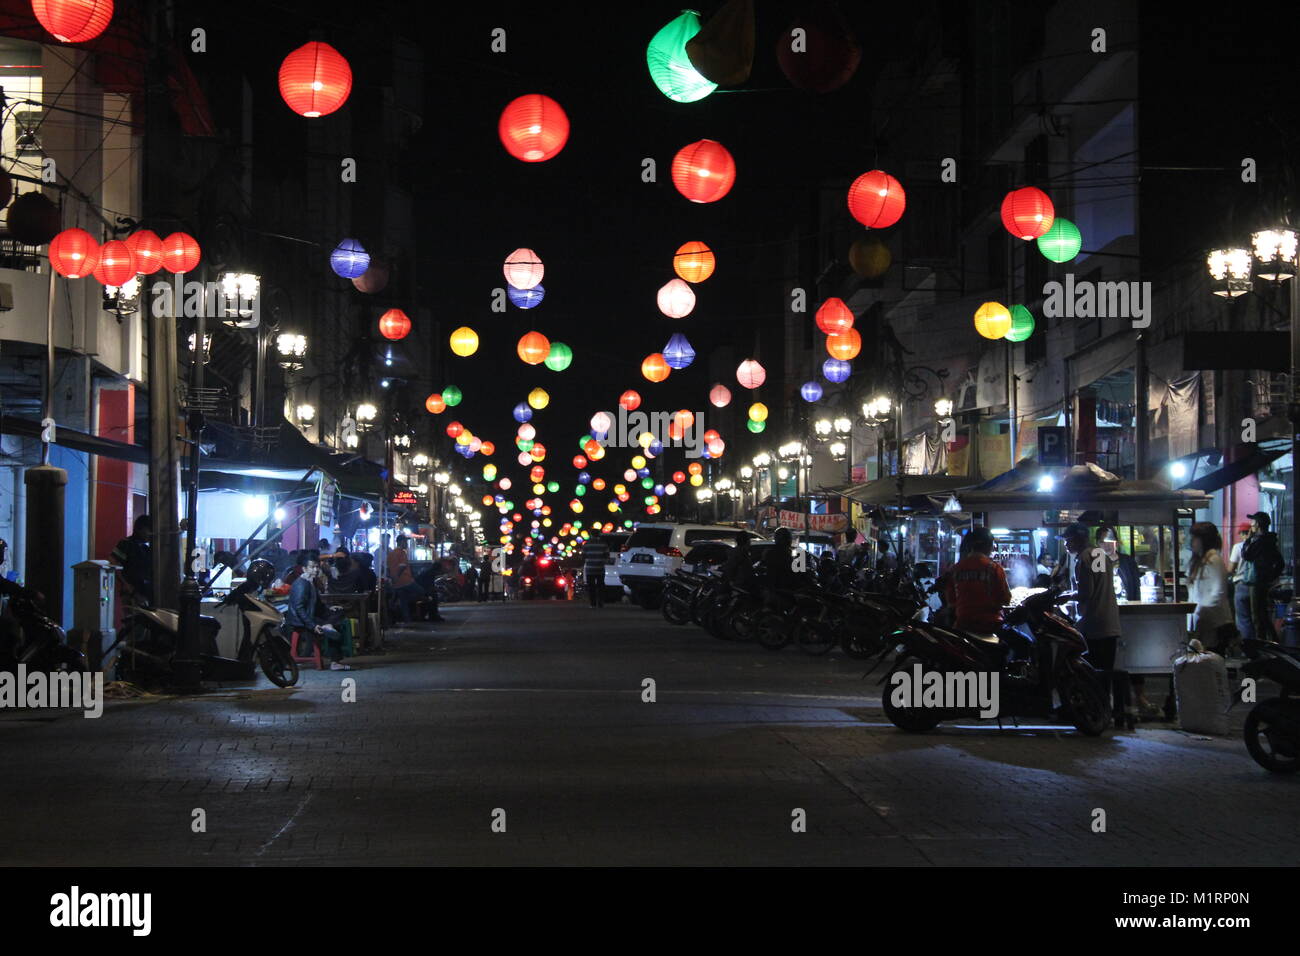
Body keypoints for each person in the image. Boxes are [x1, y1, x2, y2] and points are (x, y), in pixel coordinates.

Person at [1061, 522, 1121, 714]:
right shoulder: (1099, 554)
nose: (1066, 545)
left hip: (1094, 625)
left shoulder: (1084, 558)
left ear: (1079, 539)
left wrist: (1065, 596)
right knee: (1104, 673)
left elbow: (1086, 592)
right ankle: (1103, 713)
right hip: (1109, 623)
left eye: (1068, 541)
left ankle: (1094, 713)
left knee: (1091, 674)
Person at [945, 527, 1024, 654]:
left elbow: (951, 602)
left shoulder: (955, 569)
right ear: (989, 545)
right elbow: (1005, 599)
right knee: (1025, 643)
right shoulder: (993, 568)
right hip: (990, 625)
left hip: (962, 625)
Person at [283, 556, 350, 670]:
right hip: (301, 620)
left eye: (317, 567)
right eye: (312, 567)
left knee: (339, 612)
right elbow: (300, 609)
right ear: (304, 569)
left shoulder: (312, 581)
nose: (315, 570)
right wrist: (312, 625)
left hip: (312, 614)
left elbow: (317, 604)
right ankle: (335, 661)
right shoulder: (301, 584)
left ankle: (328, 625)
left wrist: (330, 609)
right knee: (336, 626)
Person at [1187, 521, 1235, 655]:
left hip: (1214, 623)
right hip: (1204, 622)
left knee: (1212, 661)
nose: (1192, 542)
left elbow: (1218, 592)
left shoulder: (1214, 560)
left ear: (1204, 540)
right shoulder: (1200, 561)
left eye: (1195, 538)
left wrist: (1201, 612)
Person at [1240, 511, 1283, 641]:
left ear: (1258, 524)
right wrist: (1270, 577)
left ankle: (1263, 644)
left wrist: (1248, 540)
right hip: (1263, 581)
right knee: (1263, 614)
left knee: (1257, 616)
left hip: (1257, 582)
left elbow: (1246, 555)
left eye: (1253, 522)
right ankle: (1273, 642)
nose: (1251, 524)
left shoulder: (1259, 541)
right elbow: (1280, 563)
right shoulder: (1269, 541)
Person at [111, 514, 153, 607]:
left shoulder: (146, 548)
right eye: (148, 530)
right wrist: (127, 586)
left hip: (146, 593)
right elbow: (113, 564)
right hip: (131, 594)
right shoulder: (126, 544)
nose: (150, 534)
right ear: (139, 529)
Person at [583, 528, 609, 607]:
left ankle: (593, 604)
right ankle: (600, 603)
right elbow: (607, 556)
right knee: (600, 586)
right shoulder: (604, 544)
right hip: (600, 568)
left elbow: (583, 556)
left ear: (591, 535)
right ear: (599, 534)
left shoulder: (587, 544)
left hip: (590, 568)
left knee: (591, 587)